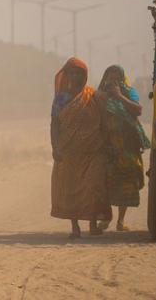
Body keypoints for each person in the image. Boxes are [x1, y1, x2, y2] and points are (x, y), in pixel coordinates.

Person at [50, 57, 112, 239]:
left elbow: (104, 123)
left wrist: (108, 145)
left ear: (85, 76)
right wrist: (55, 147)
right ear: (67, 75)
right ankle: (75, 227)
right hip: (68, 152)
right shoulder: (60, 99)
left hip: (93, 151)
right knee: (70, 189)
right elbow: (54, 124)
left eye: (80, 73)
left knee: (94, 187)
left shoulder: (93, 96)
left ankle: (93, 224)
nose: (76, 76)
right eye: (73, 73)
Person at [96, 65, 151, 231]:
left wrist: (119, 96)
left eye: (117, 76)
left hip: (127, 147)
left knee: (126, 182)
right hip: (107, 146)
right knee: (105, 182)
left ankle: (120, 221)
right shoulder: (99, 96)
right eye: (110, 76)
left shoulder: (128, 92)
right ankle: (106, 219)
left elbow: (138, 109)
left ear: (122, 79)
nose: (113, 79)